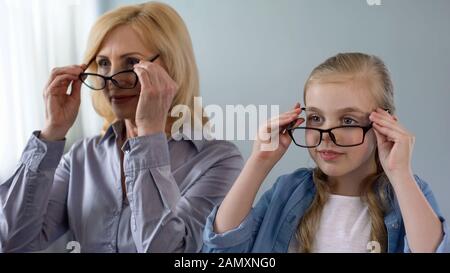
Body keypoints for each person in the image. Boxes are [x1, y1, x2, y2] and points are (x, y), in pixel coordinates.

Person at [0, 2, 243, 253]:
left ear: (172, 66)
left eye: (131, 63)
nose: (112, 81)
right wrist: (52, 132)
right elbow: (13, 242)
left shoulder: (219, 161)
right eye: (104, 63)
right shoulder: (81, 157)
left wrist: (149, 135)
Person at [202, 52, 449, 253]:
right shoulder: (288, 190)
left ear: (383, 126)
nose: (328, 135)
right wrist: (258, 163)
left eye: (349, 121)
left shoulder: (407, 194)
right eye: (316, 118)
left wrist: (400, 174)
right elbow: (220, 249)